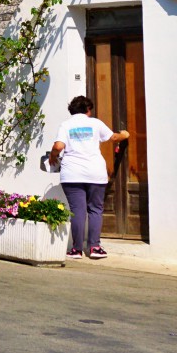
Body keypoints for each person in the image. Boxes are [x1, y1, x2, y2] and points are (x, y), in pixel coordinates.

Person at [48, 95, 129, 260]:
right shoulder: (95, 123)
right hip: (95, 173)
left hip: (72, 174)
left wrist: (53, 155)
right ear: (88, 109)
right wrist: (125, 135)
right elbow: (113, 138)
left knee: (78, 211)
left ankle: (76, 250)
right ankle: (94, 247)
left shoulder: (66, 125)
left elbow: (58, 146)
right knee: (95, 209)